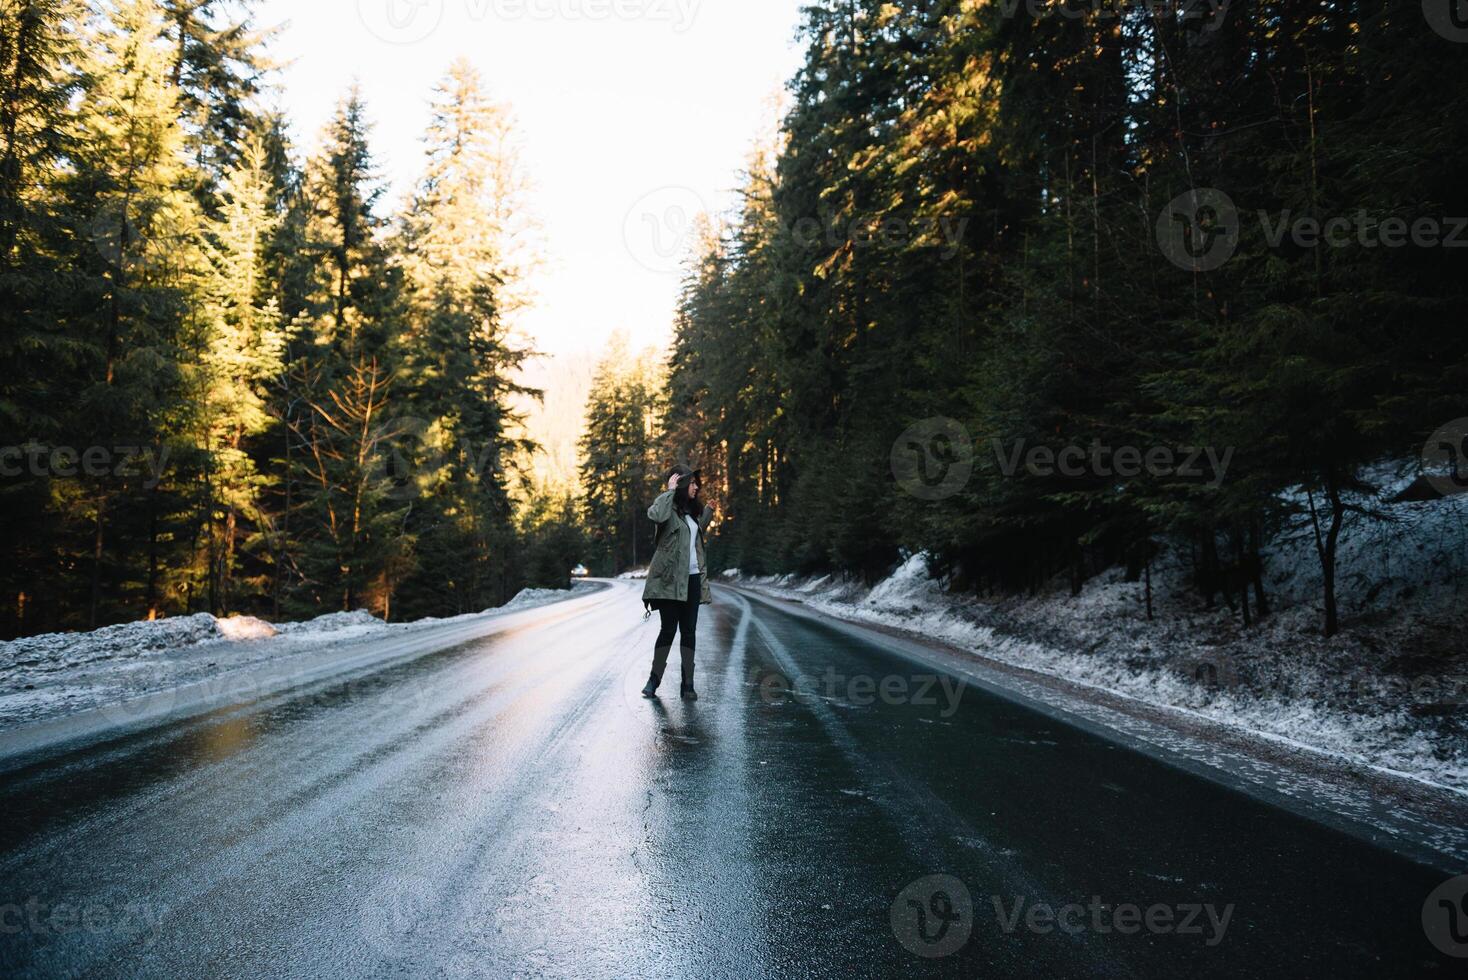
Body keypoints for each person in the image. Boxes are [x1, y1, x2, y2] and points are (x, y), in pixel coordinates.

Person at [640, 465, 715, 700]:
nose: (697, 487)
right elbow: (655, 515)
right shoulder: (667, 509)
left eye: (696, 483)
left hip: (692, 581)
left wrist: (709, 513)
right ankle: (654, 681)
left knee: (689, 633)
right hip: (670, 582)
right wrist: (668, 491)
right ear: (681, 484)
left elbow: (692, 534)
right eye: (692, 483)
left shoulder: (690, 512)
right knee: (668, 631)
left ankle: (688, 685)